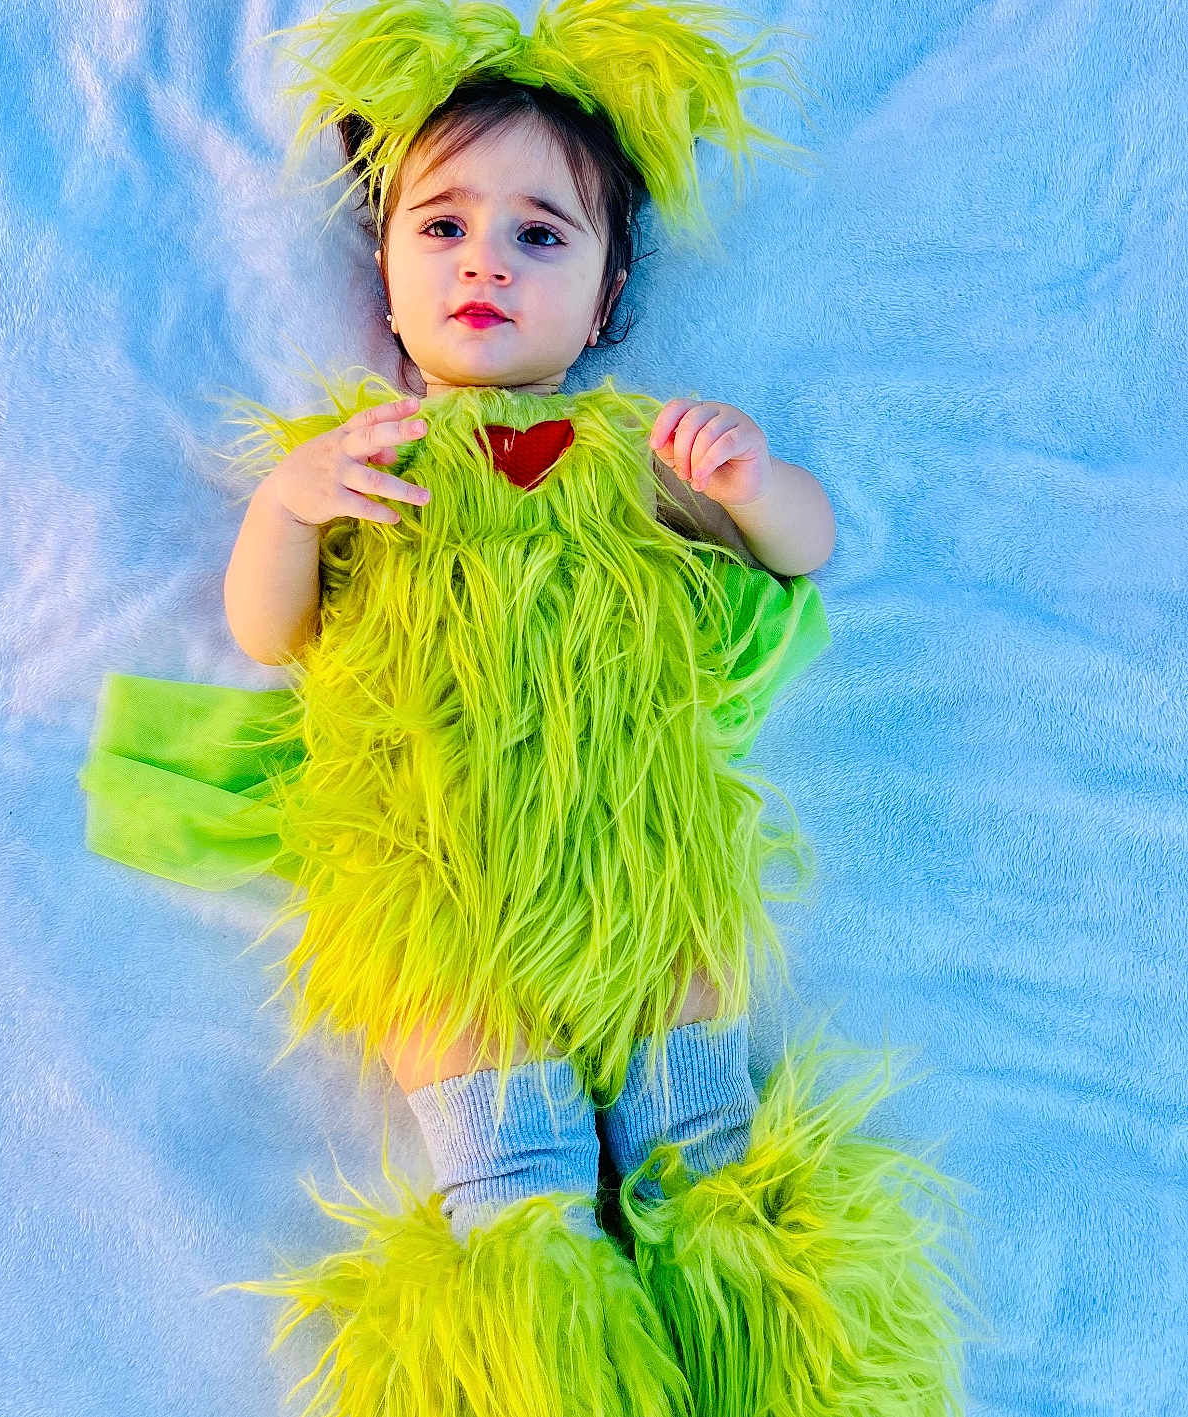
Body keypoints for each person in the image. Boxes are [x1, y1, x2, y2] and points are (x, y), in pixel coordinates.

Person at [77, 1, 985, 1412]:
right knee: (509, 1164)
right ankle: (543, 1362)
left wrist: (748, 484)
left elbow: (803, 551)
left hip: (638, 854)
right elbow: (276, 631)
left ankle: (777, 1364)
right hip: (433, 871)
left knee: (704, 1124)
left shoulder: (633, 450)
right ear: (383, 280)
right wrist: (286, 506)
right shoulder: (363, 455)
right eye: (439, 227)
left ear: (606, 295)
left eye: (539, 234)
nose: (484, 259)